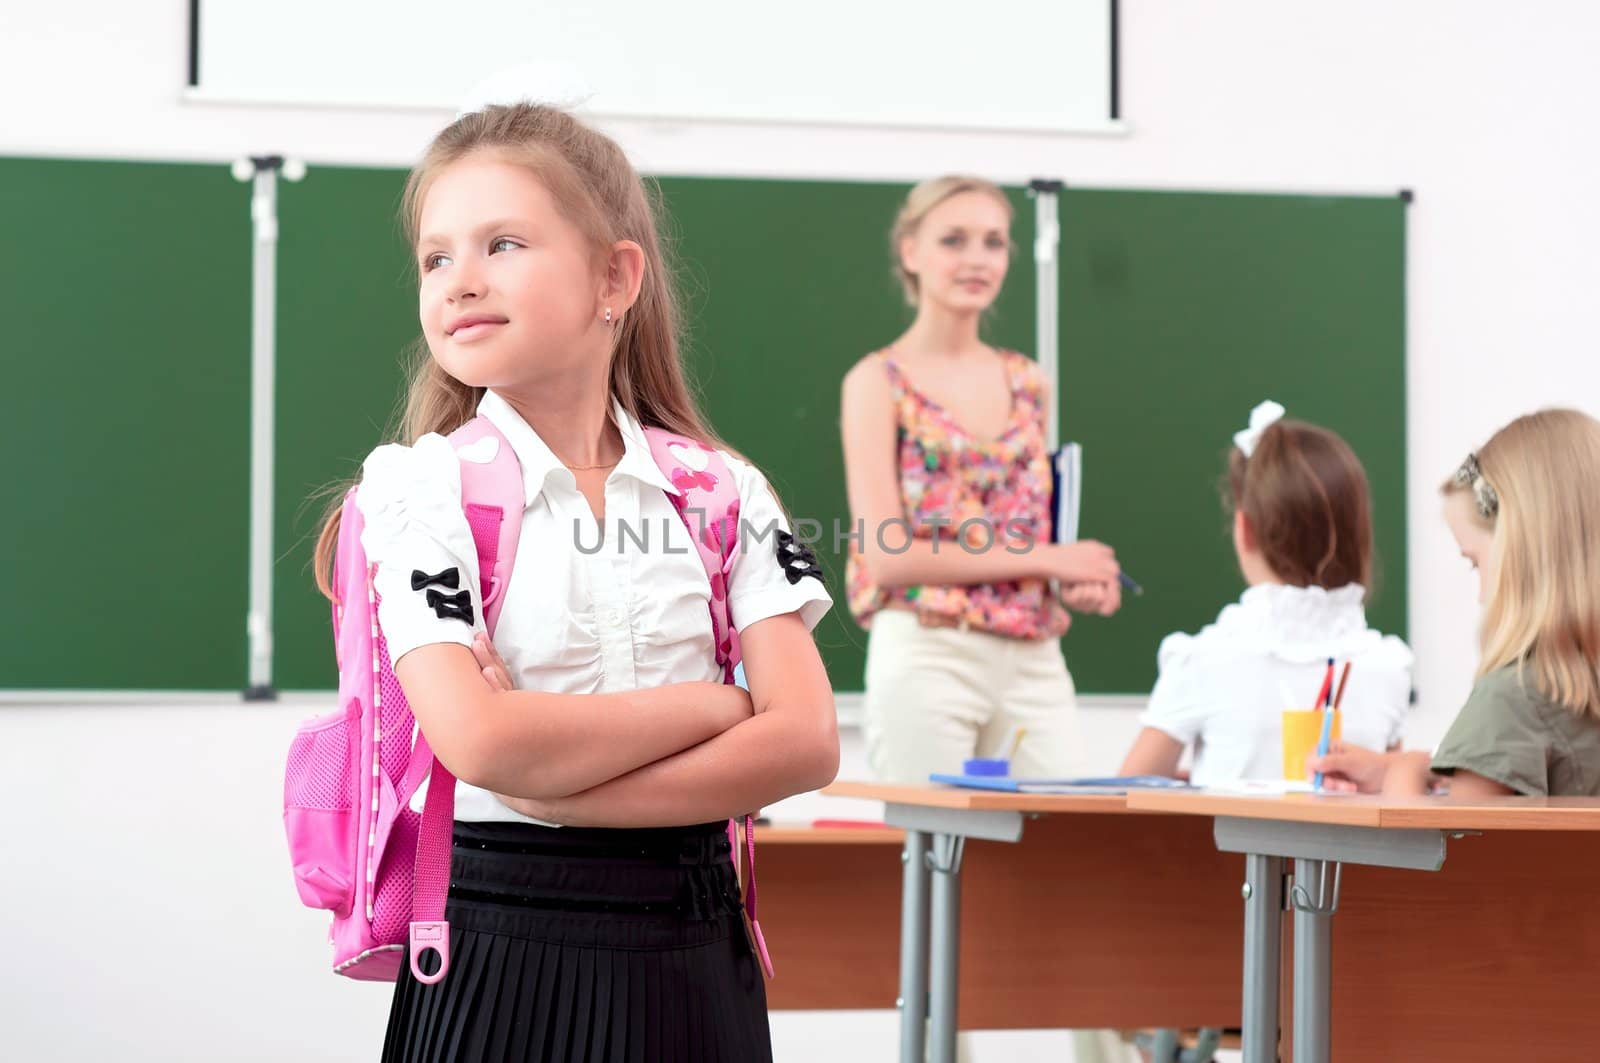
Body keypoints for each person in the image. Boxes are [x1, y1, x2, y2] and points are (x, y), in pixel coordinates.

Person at [312, 102, 836, 1062]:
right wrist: (719, 708)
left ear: (615, 276)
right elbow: (480, 740)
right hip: (497, 957)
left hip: (694, 951)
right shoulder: (416, 488)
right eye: (435, 257)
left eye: (502, 242)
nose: (460, 280)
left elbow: (805, 740)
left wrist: (557, 787)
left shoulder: (722, 489)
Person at [840, 175, 1122, 784]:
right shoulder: (877, 381)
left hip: (1033, 655)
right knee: (932, 850)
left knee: (1065, 841)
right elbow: (887, 557)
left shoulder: (1028, 381)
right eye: (954, 240)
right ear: (910, 252)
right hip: (928, 649)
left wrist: (1071, 582)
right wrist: (1048, 560)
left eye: (994, 242)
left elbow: (1026, 531)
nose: (976, 259)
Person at [1120, 401, 1412, 785]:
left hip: (1225, 848)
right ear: (1358, 533)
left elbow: (1124, 800)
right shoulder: (1387, 667)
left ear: (1245, 530)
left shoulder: (1201, 661)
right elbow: (1396, 796)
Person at [1313, 408, 1600, 797]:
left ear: (1520, 553)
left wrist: (1406, 769)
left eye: (1474, 563)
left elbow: (1450, 854)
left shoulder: (1513, 699)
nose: (1481, 593)